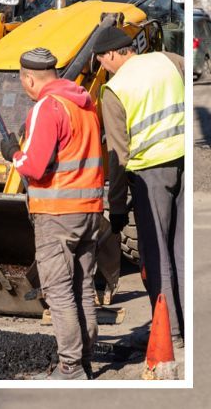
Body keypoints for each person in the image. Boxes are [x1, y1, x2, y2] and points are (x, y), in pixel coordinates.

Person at [0, 47, 104, 379]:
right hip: (89, 210)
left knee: (59, 293)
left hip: (57, 213)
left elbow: (35, 166)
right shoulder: (85, 104)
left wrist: (13, 152)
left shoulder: (48, 106)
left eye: (22, 81)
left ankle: (70, 367)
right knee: (83, 288)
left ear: (29, 78)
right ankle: (85, 359)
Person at [92, 27, 185, 350]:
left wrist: (116, 208)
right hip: (185, 162)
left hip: (150, 175)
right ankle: (190, 325)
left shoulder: (114, 90)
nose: (104, 67)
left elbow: (117, 156)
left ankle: (169, 332)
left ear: (115, 54)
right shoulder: (170, 60)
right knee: (182, 250)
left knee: (157, 255)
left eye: (103, 60)